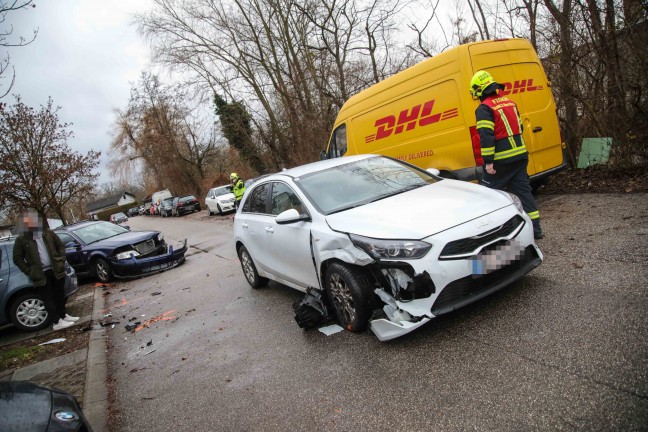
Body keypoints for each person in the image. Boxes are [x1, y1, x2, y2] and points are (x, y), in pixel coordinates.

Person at [470, 70, 544, 239]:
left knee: (488, 195)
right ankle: (536, 229)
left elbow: (486, 136)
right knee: (524, 192)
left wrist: (488, 162)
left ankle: (490, 236)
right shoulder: (509, 102)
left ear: (479, 90)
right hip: (520, 156)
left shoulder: (484, 108)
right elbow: (520, 127)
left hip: (501, 161)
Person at [12, 210, 79, 331]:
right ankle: (56, 321)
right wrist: (29, 270)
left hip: (56, 269)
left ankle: (63, 315)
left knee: (60, 294)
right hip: (40, 273)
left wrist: (61, 259)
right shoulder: (22, 239)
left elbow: (61, 246)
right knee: (48, 298)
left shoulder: (48, 233)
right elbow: (17, 258)